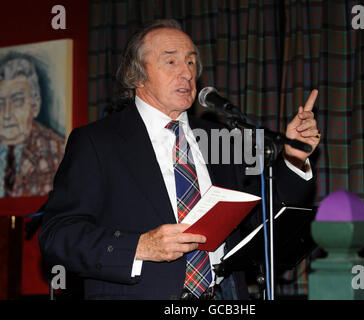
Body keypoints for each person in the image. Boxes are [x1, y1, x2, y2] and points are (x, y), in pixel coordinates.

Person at [39, 19, 320, 300]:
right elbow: (58, 235)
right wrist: (139, 246)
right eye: (171, 62)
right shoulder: (97, 142)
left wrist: (293, 159)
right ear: (137, 75)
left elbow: (263, 216)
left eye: (191, 62)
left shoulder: (222, 137)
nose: (186, 73)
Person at [0, 56, 65, 198]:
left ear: (35, 106)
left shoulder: (55, 149)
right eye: (1, 103)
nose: (6, 114)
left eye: (17, 101)